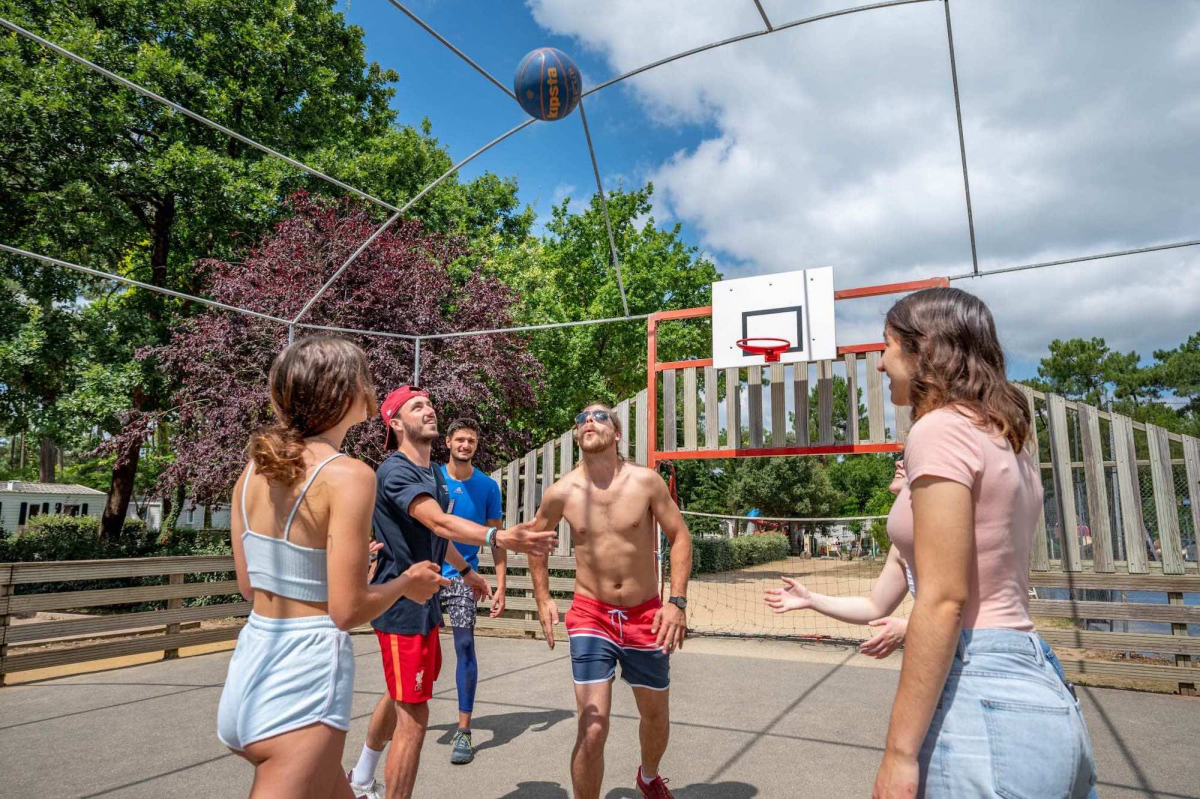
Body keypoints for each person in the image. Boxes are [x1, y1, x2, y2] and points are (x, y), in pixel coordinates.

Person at [867, 287, 1096, 798]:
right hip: (1037, 675)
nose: (881, 364)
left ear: (922, 348)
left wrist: (899, 755)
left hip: (981, 689)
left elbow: (945, 599)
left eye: (886, 346)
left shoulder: (939, 429)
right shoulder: (1004, 436)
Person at [217, 337, 447, 798]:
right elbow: (346, 612)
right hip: (304, 680)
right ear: (346, 393)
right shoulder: (349, 474)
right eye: (366, 377)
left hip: (249, 670)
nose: (373, 387)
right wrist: (407, 582)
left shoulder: (254, 469)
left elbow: (250, 585)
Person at [348, 386, 556, 799]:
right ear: (394, 422)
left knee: (400, 695)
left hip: (426, 601)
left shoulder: (431, 476)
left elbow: (435, 536)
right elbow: (440, 523)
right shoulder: (396, 471)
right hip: (400, 604)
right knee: (415, 717)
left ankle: (360, 777)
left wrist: (466, 573)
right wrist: (499, 535)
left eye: (429, 404)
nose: (429, 410)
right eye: (416, 406)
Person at [529, 402, 693, 799]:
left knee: (654, 718)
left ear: (617, 433)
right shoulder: (561, 492)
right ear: (576, 436)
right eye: (581, 417)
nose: (588, 419)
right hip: (592, 615)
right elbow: (536, 543)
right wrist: (543, 598)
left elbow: (681, 537)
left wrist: (677, 602)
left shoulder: (646, 482)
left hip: (647, 616)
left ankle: (649, 776)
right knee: (593, 726)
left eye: (600, 416)